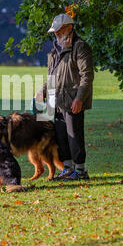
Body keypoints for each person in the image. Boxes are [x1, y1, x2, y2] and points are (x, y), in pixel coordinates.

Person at [35, 13, 94, 180]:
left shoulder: (80, 47)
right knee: (60, 136)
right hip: (56, 100)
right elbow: (52, 78)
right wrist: (42, 91)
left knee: (74, 135)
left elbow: (87, 76)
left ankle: (80, 171)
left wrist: (80, 99)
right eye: (55, 31)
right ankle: (67, 168)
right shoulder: (54, 51)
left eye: (59, 30)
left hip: (73, 100)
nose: (56, 34)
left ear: (70, 28)